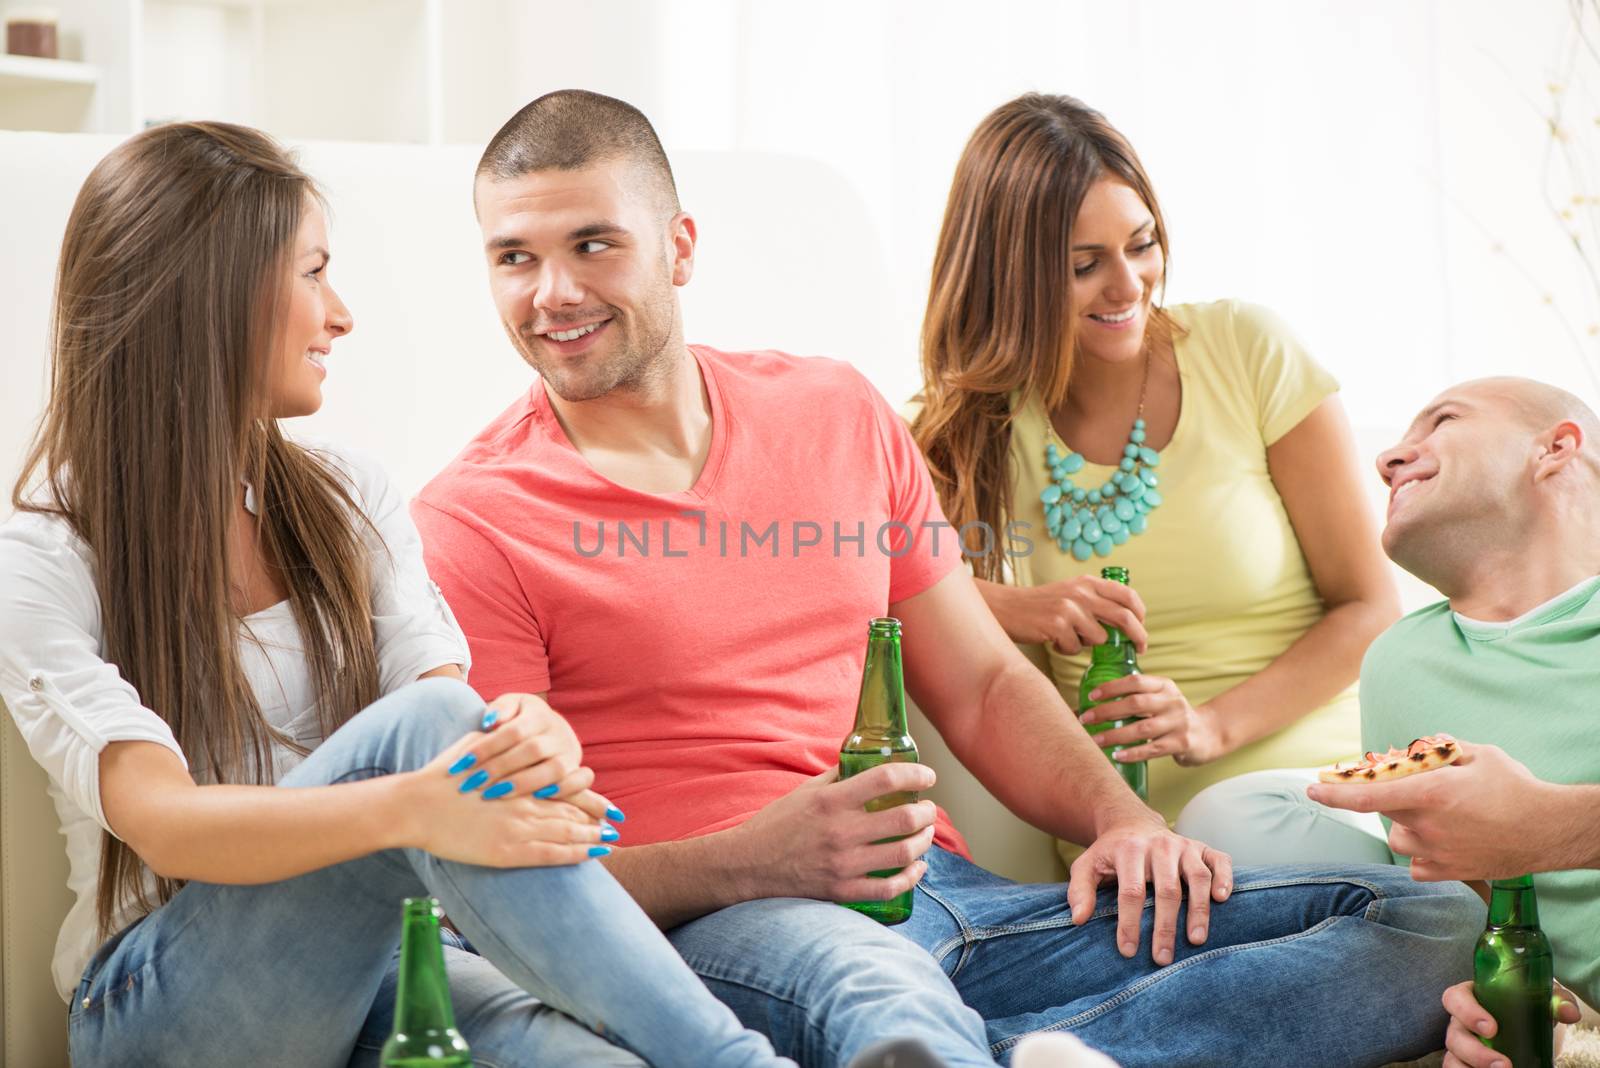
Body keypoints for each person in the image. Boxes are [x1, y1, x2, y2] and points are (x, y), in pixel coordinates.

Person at [413, 88, 1483, 1068]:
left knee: (1425, 927)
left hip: (958, 894)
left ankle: (1041, 1052)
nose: (552, 293)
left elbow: (977, 685)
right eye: (514, 257)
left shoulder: (833, 413)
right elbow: (503, 881)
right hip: (740, 925)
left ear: (679, 247)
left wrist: (1124, 825)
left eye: (593, 245)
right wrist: (752, 861)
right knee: (887, 1001)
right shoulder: (475, 519)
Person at [0, 121, 804, 1068]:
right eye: (311, 274)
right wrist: (417, 805)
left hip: (375, 963)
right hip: (160, 1000)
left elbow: (450, 707)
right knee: (432, 729)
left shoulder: (349, 497)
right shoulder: (44, 552)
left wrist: (522, 740)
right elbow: (165, 824)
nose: (339, 315)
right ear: (208, 296)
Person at [909, 93, 1400, 833]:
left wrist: (1211, 726)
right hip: (1134, 830)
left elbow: (1370, 608)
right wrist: (1014, 607)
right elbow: (854, 586)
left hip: (1324, 787)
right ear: (1008, 275)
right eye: (1084, 265)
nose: (1129, 285)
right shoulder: (964, 430)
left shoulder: (1246, 349)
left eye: (1141, 245)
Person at [1182, 377, 1600, 1066]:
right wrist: (1509, 1003)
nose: (1388, 460)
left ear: (1555, 449)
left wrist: (1547, 826)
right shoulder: (1404, 663)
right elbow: (1467, 893)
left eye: (1442, 421)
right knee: (1227, 817)